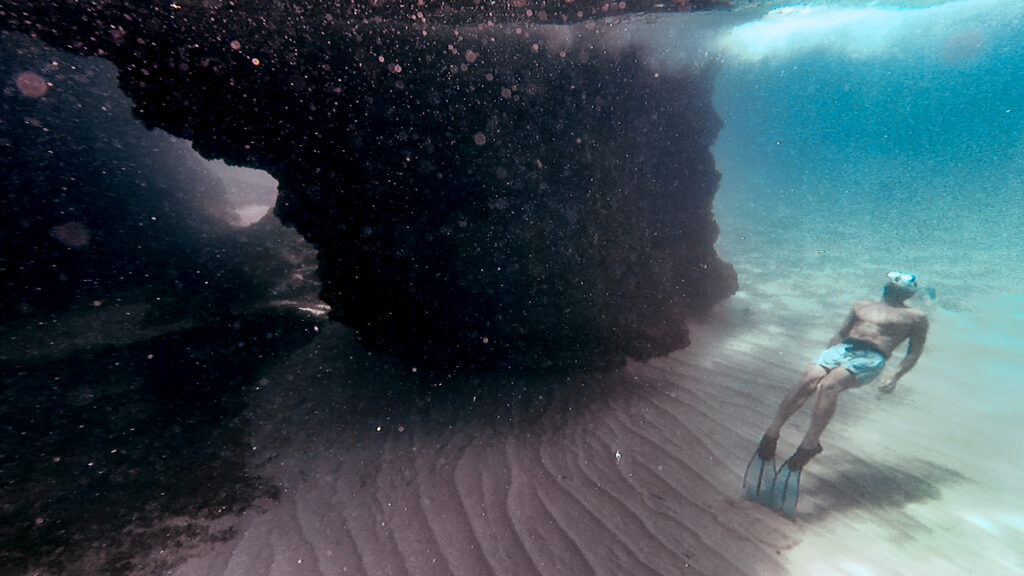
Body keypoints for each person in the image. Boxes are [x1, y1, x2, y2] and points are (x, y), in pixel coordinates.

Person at [742, 271, 929, 516]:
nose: (891, 289)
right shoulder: (861, 306)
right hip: (843, 349)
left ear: (909, 293)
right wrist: (825, 356)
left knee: (828, 386)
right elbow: (841, 333)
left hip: (872, 357)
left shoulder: (916, 317)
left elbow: (914, 352)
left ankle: (809, 444)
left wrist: (894, 376)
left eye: (897, 287)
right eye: (890, 285)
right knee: (808, 380)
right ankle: (772, 433)